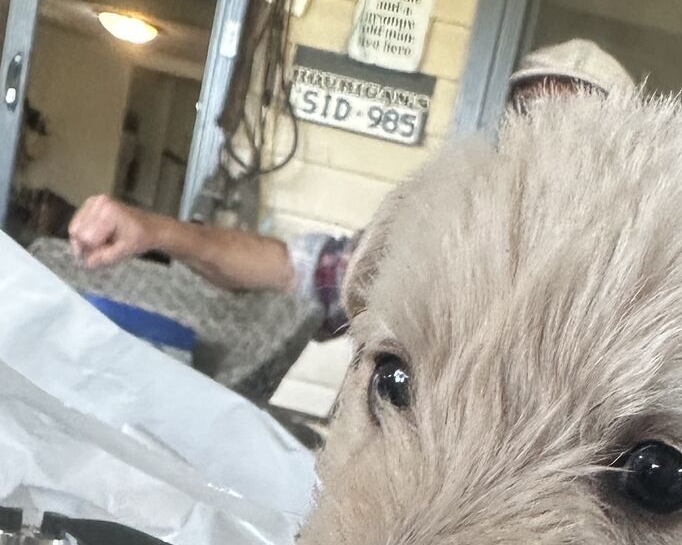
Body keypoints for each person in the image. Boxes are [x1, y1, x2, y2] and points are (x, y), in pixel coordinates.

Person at [67, 38, 634, 341]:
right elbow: (294, 268)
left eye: (578, 130)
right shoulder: (434, 237)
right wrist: (157, 230)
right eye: (530, 119)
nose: (548, 145)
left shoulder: (631, 292)